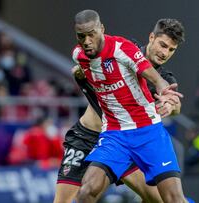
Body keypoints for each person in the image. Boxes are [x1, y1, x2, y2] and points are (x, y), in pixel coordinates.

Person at [54, 17, 186, 203]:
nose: (165, 53)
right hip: (89, 137)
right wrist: (81, 70)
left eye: (171, 50)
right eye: (163, 45)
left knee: (160, 199)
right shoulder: (123, 49)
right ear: (151, 37)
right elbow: (87, 56)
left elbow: (174, 103)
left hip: (129, 138)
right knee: (66, 200)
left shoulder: (164, 77)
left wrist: (170, 105)